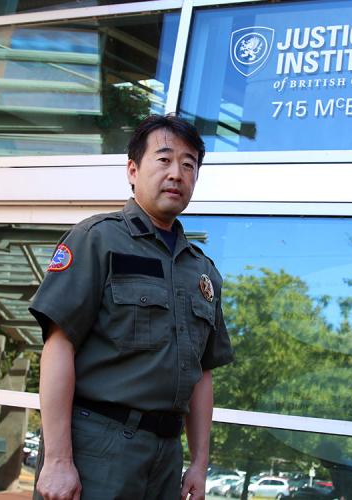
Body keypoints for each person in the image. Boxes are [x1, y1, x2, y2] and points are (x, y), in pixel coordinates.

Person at [29, 114, 234, 500]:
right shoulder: (96, 240)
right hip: (97, 445)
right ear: (132, 170)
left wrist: (200, 463)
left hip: (165, 455)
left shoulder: (203, 272)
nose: (177, 173)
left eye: (189, 165)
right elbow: (59, 346)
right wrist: (58, 460)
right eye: (164, 159)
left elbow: (202, 376)